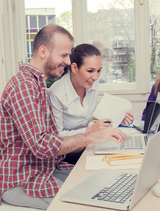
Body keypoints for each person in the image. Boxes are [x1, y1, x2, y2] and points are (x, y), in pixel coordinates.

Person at [0, 25, 127, 210]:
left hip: (46, 169)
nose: (68, 62)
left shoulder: (37, 84)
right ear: (43, 51)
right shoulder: (24, 86)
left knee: (103, 185)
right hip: (22, 179)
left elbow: (51, 138)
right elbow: (41, 146)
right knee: (91, 203)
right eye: (63, 55)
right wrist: (90, 136)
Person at [49, 43, 134, 164]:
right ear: (74, 68)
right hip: (68, 154)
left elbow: (90, 118)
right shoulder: (56, 93)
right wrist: (90, 130)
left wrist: (117, 118)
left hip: (89, 146)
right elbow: (56, 139)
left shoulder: (91, 84)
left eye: (99, 71)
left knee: (125, 159)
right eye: (90, 71)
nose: (95, 77)